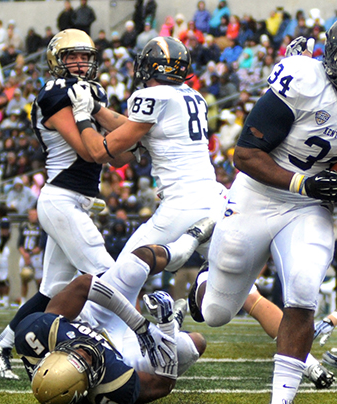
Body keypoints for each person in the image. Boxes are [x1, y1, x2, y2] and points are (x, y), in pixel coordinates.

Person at [188, 15, 337, 404]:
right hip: (258, 193)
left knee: (304, 288)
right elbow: (245, 155)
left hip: (310, 207)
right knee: (214, 313)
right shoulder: (302, 81)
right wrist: (305, 181)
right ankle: (205, 283)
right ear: (332, 58)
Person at [0, 29, 117, 380]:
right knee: (108, 276)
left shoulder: (94, 92)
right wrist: (97, 122)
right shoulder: (54, 93)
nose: (81, 62)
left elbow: (120, 147)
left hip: (77, 201)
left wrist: (135, 132)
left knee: (51, 290)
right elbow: (90, 150)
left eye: (85, 55)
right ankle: (125, 349)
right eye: (72, 56)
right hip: (62, 199)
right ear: (57, 60)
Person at [66, 36, 227, 265]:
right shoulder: (193, 96)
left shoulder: (152, 96)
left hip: (181, 204)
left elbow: (101, 152)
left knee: (120, 275)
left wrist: (82, 116)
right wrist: (96, 109)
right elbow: (130, 137)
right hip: (213, 202)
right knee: (235, 291)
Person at [15, 241, 205, 404]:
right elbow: (164, 383)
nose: (85, 352)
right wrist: (167, 327)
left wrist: (138, 323)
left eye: (73, 353)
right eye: (84, 362)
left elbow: (84, 284)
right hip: (122, 353)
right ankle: (179, 316)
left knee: (137, 263)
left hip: (93, 319)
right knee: (193, 345)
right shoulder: (114, 387)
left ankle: (191, 239)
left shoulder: (37, 334)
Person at [18, 208, 46, 303]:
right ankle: (22, 301)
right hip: (25, 254)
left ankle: (40, 302)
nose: (32, 217)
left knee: (39, 280)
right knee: (24, 278)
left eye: (34, 215)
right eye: (31, 215)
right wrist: (25, 254)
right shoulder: (24, 226)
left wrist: (29, 254)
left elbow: (41, 245)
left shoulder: (41, 227)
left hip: (36, 256)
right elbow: (19, 244)